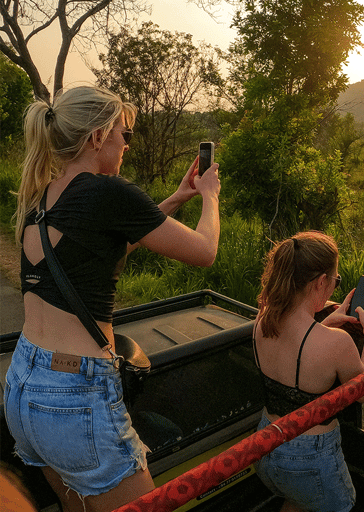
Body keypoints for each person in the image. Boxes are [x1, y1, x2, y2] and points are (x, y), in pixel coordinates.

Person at [4, 85, 221, 512]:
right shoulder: (108, 192)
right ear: (97, 137)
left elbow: (105, 249)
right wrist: (210, 198)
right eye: (124, 134)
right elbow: (205, 251)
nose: (126, 144)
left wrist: (178, 198)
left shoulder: (43, 196)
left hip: (22, 385)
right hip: (73, 395)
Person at [252, 231, 364, 512]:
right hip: (310, 456)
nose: (334, 286)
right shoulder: (336, 343)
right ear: (321, 281)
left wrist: (326, 322)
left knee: (298, 500)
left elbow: (298, 340)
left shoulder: (262, 319)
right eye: (335, 281)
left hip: (265, 446)